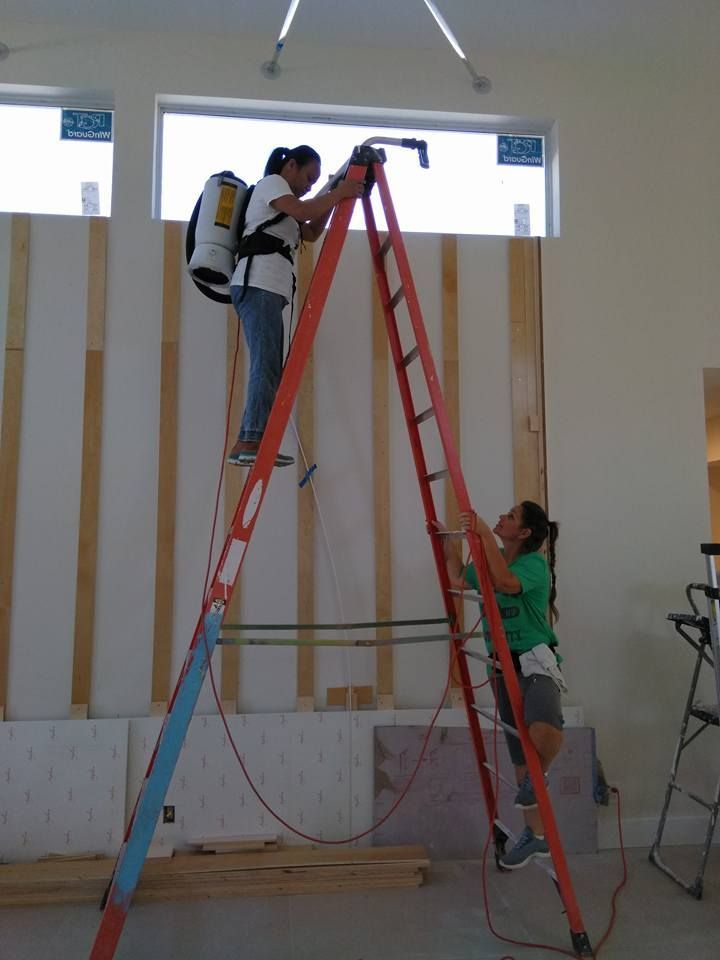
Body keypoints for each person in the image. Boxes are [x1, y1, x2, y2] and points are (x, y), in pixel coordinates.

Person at [436, 500, 564, 869]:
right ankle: (536, 836)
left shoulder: (534, 565)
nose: (502, 518)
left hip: (534, 659)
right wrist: (448, 543)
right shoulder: (488, 563)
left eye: (510, 516)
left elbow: (506, 583)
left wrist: (481, 533)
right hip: (500, 666)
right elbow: (458, 579)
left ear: (523, 533)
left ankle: (539, 777)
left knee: (544, 728)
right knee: (521, 755)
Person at [227, 145, 364, 468]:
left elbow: (312, 231)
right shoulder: (272, 184)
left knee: (270, 366)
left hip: (268, 289)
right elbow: (303, 211)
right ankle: (249, 439)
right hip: (258, 284)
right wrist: (338, 191)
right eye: (308, 177)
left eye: (315, 182)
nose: (308, 186)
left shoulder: (284, 209)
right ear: (290, 165)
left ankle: (253, 439)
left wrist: (334, 196)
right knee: (265, 364)